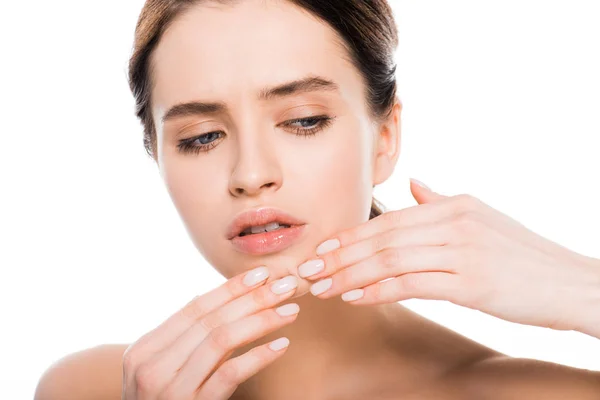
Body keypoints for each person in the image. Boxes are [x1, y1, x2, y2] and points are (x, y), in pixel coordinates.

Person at [35, 0, 600, 399]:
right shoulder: (93, 389)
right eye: (201, 137)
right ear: (158, 156)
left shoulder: (538, 393)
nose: (251, 174)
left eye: (304, 120)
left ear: (384, 137)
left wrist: (584, 287)